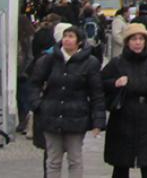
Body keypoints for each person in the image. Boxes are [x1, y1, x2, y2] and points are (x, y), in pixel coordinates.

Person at [29, 25, 105, 178]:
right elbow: (34, 83)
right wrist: (37, 104)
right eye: (65, 36)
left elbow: (96, 93)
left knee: (75, 159)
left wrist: (98, 122)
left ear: (79, 42)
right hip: (51, 115)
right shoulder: (49, 59)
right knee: (53, 160)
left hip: (76, 117)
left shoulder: (90, 63)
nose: (67, 40)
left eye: (71, 37)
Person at [102, 23, 147, 178]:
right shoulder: (117, 63)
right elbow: (100, 84)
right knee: (121, 164)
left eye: (141, 39)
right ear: (127, 42)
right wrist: (114, 83)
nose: (138, 43)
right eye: (134, 39)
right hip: (123, 118)